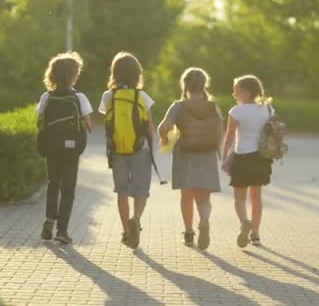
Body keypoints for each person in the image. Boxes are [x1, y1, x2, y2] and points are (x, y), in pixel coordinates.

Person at [158, 68, 223, 250]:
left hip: (185, 153)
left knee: (186, 195)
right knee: (204, 196)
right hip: (208, 154)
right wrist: (219, 150)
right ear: (204, 85)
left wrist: (165, 138)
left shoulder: (179, 106)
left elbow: (164, 127)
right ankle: (203, 220)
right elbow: (219, 131)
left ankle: (189, 233)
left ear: (185, 84)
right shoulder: (213, 106)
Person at [98, 51, 155, 249]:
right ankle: (136, 218)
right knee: (141, 190)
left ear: (114, 73)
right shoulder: (142, 96)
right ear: (137, 74)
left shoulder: (108, 96)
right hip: (140, 149)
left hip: (117, 151)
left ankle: (125, 231)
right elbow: (149, 128)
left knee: (122, 191)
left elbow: (107, 124)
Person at [37, 51, 92, 244]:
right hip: (71, 150)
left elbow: (40, 121)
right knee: (68, 189)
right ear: (73, 75)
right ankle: (62, 230)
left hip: (51, 148)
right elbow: (88, 125)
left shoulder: (46, 97)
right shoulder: (79, 98)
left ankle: (49, 220)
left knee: (53, 184)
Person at [221, 75, 273, 247]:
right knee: (256, 197)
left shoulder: (236, 111)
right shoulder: (268, 110)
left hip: (242, 157)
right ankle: (255, 234)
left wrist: (223, 156)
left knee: (239, 198)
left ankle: (244, 221)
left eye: (236, 90)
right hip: (261, 158)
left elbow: (229, 138)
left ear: (246, 92)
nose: (234, 94)